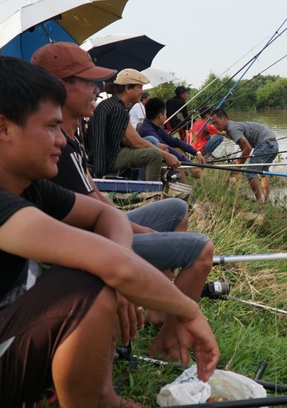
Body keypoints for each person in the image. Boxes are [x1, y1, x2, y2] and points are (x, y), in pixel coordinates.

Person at [0, 55, 219, 407]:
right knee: (90, 285)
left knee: (99, 273)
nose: (61, 140)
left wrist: (118, 264)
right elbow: (111, 263)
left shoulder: (25, 184)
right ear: (3, 128)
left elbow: (107, 219)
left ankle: (100, 396)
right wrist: (189, 311)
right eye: (50, 127)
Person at [31, 41, 215, 332]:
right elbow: (86, 218)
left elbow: (94, 196)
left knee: (177, 208)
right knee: (200, 246)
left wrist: (132, 226)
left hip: (101, 229)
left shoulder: (71, 135)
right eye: (89, 81)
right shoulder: (54, 145)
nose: (97, 88)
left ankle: (156, 310)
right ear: (59, 86)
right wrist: (132, 239)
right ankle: (169, 340)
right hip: (89, 244)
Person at [87, 68, 180, 179]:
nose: (142, 92)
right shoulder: (118, 110)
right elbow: (135, 142)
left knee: (151, 142)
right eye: (140, 87)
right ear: (128, 88)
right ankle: (151, 193)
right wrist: (166, 156)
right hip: (106, 160)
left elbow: (125, 140)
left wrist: (156, 146)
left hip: (100, 156)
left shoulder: (110, 105)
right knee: (154, 155)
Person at [210, 108, 279, 202]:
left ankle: (259, 201)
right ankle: (265, 202)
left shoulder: (232, 128)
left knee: (249, 174)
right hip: (273, 144)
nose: (215, 126)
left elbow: (248, 148)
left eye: (216, 122)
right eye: (213, 123)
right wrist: (238, 164)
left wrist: (237, 167)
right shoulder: (233, 127)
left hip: (265, 145)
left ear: (224, 118)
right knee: (262, 173)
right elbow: (244, 148)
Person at [139, 97, 205, 183]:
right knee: (176, 160)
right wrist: (190, 165)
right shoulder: (148, 131)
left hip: (155, 160)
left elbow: (174, 141)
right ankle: (185, 193)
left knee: (178, 150)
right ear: (159, 116)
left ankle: (183, 190)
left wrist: (196, 152)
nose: (166, 116)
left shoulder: (154, 127)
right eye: (165, 114)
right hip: (144, 168)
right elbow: (167, 150)